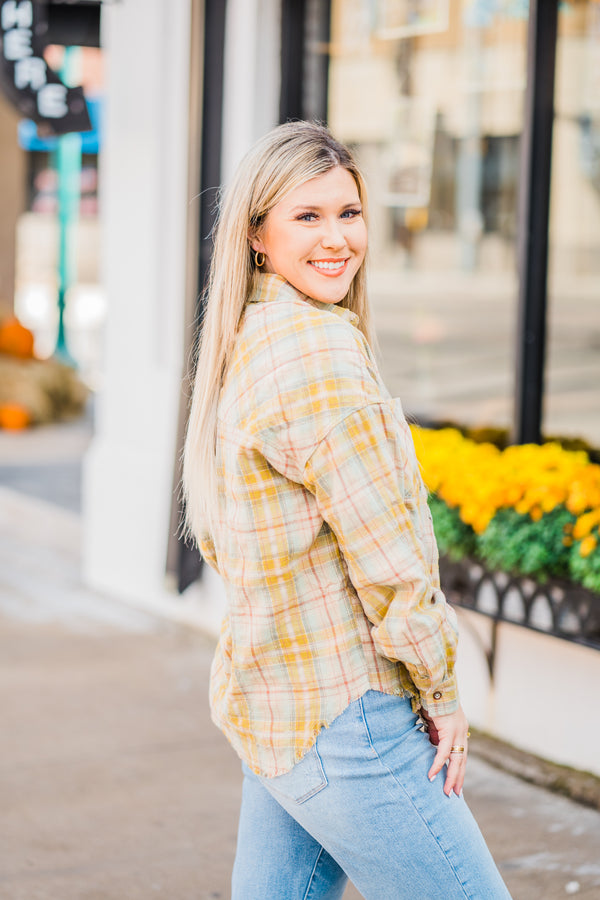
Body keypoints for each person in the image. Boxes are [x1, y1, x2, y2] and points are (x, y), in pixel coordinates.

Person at [183, 121, 512, 900]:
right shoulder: (317, 354)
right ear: (257, 234)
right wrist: (441, 693)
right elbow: (390, 559)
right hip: (348, 714)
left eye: (349, 214)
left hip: (279, 703)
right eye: (308, 217)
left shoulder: (256, 334)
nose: (338, 239)